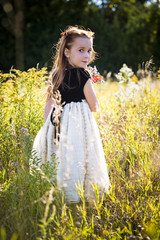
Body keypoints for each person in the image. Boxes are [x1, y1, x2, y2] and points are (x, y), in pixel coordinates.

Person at [31, 26, 110, 203]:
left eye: (89, 51)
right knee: (81, 156)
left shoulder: (56, 74)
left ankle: (60, 193)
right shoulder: (84, 75)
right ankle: (80, 194)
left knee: (61, 157)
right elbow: (94, 105)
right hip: (79, 124)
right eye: (81, 50)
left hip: (57, 122)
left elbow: (49, 104)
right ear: (66, 52)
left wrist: (46, 128)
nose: (86, 56)